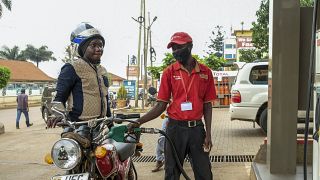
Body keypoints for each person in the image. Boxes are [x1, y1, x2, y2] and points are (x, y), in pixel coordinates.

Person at [128, 32, 216, 180]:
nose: (175, 52)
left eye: (178, 47)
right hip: (175, 130)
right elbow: (161, 105)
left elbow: (207, 105)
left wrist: (208, 133)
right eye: (173, 48)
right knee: (172, 173)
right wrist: (139, 121)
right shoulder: (169, 72)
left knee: (204, 173)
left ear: (190, 46)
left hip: (197, 130)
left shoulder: (205, 72)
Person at [47, 23, 111, 128]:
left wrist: (110, 122)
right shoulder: (71, 68)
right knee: (68, 144)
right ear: (82, 48)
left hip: (101, 126)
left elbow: (105, 98)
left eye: (100, 45)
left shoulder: (102, 70)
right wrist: (57, 114)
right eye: (93, 45)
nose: (99, 49)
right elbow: (59, 97)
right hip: (78, 126)